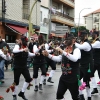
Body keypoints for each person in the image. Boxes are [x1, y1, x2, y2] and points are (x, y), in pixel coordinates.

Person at [43, 34, 81, 100]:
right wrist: (48, 55)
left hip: (73, 78)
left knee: (75, 97)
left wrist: (62, 51)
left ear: (73, 40)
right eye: (65, 39)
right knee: (59, 95)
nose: (65, 41)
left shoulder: (76, 50)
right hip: (64, 77)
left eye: (67, 39)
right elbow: (59, 59)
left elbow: (75, 59)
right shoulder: (65, 49)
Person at [75, 31, 93, 100]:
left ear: (85, 36)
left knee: (86, 82)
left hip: (87, 66)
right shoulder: (82, 43)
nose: (81, 37)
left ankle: (89, 97)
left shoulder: (86, 44)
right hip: (82, 65)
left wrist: (74, 42)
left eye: (82, 36)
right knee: (78, 79)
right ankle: (81, 95)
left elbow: (80, 47)